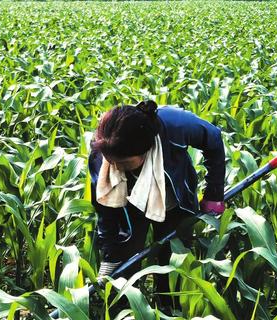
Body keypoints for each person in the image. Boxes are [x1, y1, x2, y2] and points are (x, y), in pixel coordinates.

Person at [88, 100, 226, 309]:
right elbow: (104, 209)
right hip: (128, 201)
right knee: (124, 262)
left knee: (174, 261)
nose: (115, 167)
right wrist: (110, 255)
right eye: (112, 161)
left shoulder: (174, 125)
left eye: (123, 163)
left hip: (173, 198)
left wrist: (213, 194)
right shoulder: (103, 152)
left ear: (146, 150)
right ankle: (125, 309)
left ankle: (169, 308)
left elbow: (214, 138)